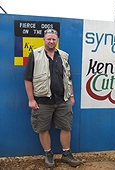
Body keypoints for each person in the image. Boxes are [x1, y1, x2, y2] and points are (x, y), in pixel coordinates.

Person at [24, 28, 81, 168]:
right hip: (42, 101)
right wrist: (31, 99)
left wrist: (71, 96)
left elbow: (68, 78)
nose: (51, 41)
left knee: (66, 127)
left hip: (63, 101)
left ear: (57, 41)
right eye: (48, 39)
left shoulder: (63, 56)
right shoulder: (35, 54)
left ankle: (66, 154)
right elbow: (27, 79)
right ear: (44, 39)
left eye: (54, 39)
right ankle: (48, 154)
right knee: (43, 128)